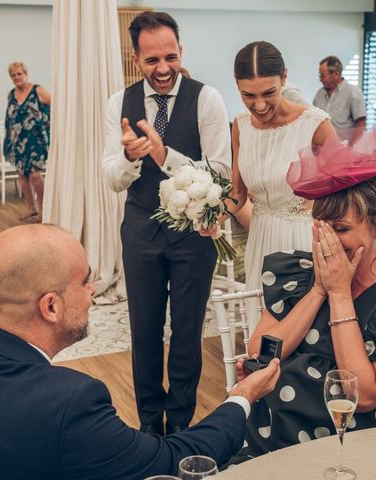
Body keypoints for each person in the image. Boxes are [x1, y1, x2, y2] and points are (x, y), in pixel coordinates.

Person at [0, 224, 282, 480]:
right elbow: (173, 461)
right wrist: (242, 397)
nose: (94, 290)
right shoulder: (69, 402)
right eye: (85, 281)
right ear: (50, 307)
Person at [227, 135, 376, 463]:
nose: (326, 241)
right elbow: (261, 354)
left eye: (340, 228)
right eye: (320, 228)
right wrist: (318, 290)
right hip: (271, 437)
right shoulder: (297, 275)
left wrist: (339, 295)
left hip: (352, 448)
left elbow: (363, 396)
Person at [102, 11, 231, 436]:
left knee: (188, 332)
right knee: (144, 330)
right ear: (135, 58)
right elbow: (111, 179)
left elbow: (221, 173)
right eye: (152, 60)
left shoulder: (207, 98)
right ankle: (148, 426)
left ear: (181, 52)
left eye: (170, 57)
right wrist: (129, 157)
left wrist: (163, 155)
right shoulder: (117, 103)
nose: (163, 69)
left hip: (194, 234)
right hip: (140, 230)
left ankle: (179, 425)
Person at [227, 41, 335, 326]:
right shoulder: (241, 125)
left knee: (303, 331)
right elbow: (237, 195)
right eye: (248, 95)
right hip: (260, 239)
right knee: (263, 334)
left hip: (302, 239)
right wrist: (208, 214)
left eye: (269, 93)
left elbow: (346, 193)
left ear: (284, 77)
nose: (259, 105)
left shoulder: (315, 124)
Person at [4, 61, 50, 222]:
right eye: (13, 75)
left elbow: (55, 106)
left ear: (26, 74)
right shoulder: (11, 94)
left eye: (19, 74)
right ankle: (32, 209)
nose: (17, 77)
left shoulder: (38, 90)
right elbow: (9, 119)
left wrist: (48, 125)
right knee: (22, 176)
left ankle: (45, 209)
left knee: (35, 175)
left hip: (36, 140)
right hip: (18, 141)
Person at [313, 55, 366, 146]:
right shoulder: (319, 94)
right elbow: (313, 121)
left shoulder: (352, 92)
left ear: (336, 74)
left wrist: (351, 147)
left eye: (322, 75)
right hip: (323, 150)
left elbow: (361, 123)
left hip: (345, 149)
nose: (320, 79)